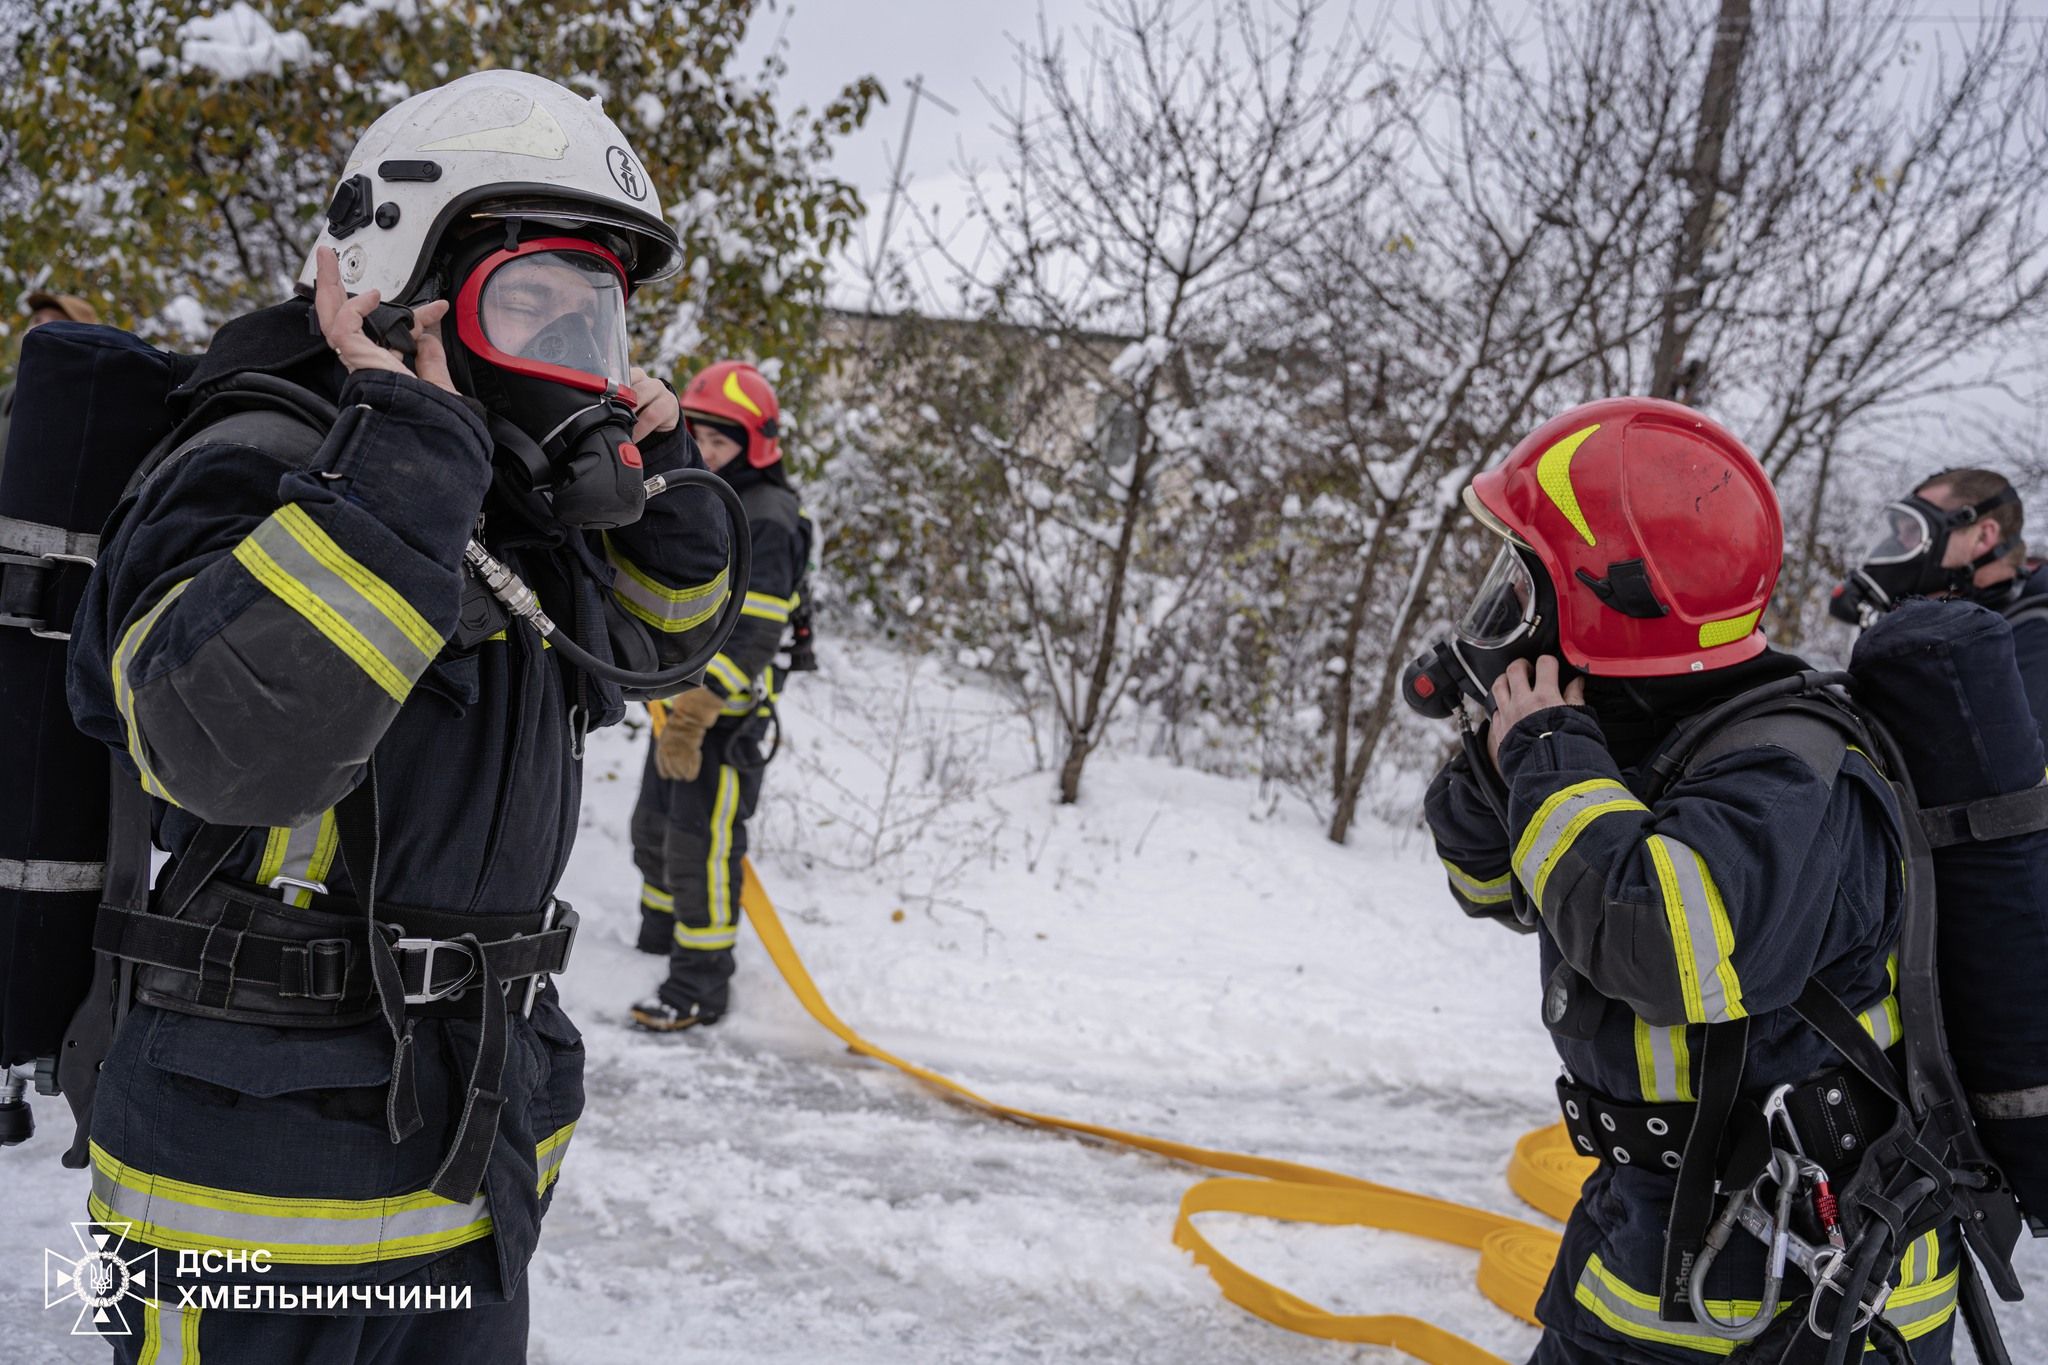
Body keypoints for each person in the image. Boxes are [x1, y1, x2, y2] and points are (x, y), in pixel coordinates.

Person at [65, 71, 731, 1360]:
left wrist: (665, 498)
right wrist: (400, 476)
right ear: (404, 275)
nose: (563, 348)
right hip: (243, 1196)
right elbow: (214, 743)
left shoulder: (505, 504)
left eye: (591, 315)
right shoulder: (256, 454)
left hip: (463, 1166)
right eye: (524, 299)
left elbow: (632, 660)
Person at [1421, 399, 1957, 1362]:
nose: (1505, 606)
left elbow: (1658, 946)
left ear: (1598, 598)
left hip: (1803, 1290)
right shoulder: (1643, 738)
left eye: (1524, 581)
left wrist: (1546, 753)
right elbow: (1492, 887)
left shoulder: (1789, 774)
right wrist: (1494, 758)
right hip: (1659, 1247)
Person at [629, 360, 810, 1031]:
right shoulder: (706, 495)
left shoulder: (767, 515)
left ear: (755, 445)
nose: (703, 451)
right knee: (651, 831)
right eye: (697, 434)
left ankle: (700, 983)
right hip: (673, 708)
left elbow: (757, 635)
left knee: (700, 849)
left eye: (720, 441)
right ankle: (656, 937)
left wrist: (697, 713)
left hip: (720, 721)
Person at [1832, 467, 2048, 738]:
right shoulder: (1957, 619)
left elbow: (2009, 762)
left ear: (1983, 536)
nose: (1901, 545)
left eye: (1914, 531)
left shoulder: (2037, 629)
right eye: (1899, 533)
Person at [0, 290, 100, 469]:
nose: (39, 327)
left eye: (57, 321)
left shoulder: (94, 403)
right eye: (37, 319)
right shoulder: (5, 399)